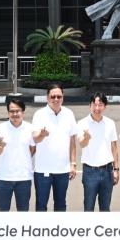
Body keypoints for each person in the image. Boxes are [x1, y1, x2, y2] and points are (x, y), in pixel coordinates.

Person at [31, 83, 79, 211]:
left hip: (63, 170)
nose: (56, 99)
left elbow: (72, 140)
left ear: (63, 97)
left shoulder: (69, 114)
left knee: (61, 204)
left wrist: (73, 164)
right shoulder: (39, 114)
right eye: (53, 96)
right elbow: (35, 138)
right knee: (41, 205)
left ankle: (58, 230)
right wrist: (41, 134)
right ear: (47, 98)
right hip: (42, 170)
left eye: (59, 96)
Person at [77, 92, 120, 211]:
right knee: (89, 207)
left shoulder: (110, 123)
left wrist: (116, 169)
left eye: (100, 105)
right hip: (90, 171)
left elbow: (114, 147)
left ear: (104, 106)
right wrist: (86, 137)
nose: (97, 108)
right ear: (89, 106)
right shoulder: (82, 123)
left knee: (105, 208)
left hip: (107, 171)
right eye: (94, 105)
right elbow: (82, 143)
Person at [0, 98, 36, 212]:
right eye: (12, 111)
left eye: (18, 111)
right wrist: (0, 146)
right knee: (2, 211)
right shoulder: (0, 128)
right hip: (4, 178)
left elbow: (32, 149)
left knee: (23, 211)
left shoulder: (30, 128)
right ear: (8, 113)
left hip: (24, 178)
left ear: (23, 112)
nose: (15, 114)